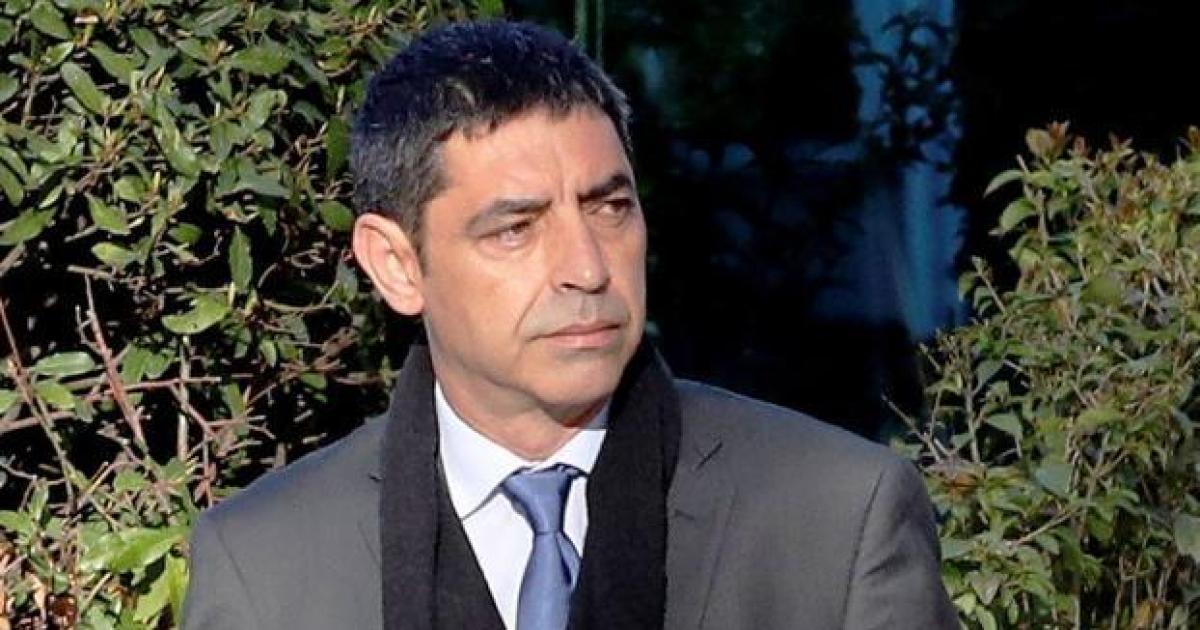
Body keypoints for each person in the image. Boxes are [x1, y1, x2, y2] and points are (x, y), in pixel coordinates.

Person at [182, 20, 957, 630]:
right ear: (397, 265)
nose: (587, 268)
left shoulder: (835, 518)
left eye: (609, 208)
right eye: (515, 229)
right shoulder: (267, 567)